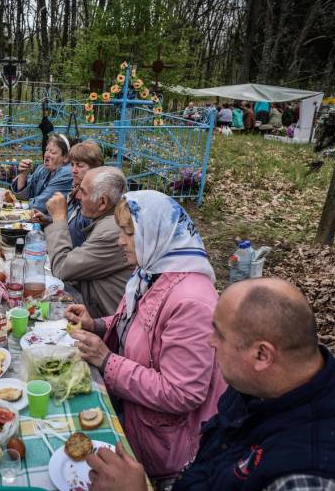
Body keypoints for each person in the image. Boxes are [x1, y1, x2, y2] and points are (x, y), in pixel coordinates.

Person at [85, 278, 335, 491]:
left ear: (262, 354)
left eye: (218, 334)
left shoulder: (310, 478)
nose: (209, 342)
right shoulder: (273, 384)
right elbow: (211, 465)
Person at [66, 190, 226, 483]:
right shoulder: (150, 273)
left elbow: (183, 392)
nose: (120, 240)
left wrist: (107, 361)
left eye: (129, 232)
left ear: (158, 233)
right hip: (140, 422)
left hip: (168, 448)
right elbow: (135, 325)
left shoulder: (192, 301)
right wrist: (96, 326)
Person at [45, 167, 133, 318]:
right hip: (96, 309)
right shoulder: (108, 220)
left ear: (102, 202)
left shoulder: (111, 230)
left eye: (83, 191)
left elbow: (61, 268)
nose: (77, 195)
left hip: (108, 326)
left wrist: (59, 219)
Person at [32, 140, 104, 248]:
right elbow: (69, 224)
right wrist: (48, 220)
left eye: (79, 165)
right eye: (72, 164)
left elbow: (78, 237)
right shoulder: (75, 190)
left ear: (95, 168)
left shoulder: (94, 200)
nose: (73, 170)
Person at [11, 133, 76, 213]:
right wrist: (23, 175)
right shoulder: (42, 169)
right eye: (46, 150)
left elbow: (39, 206)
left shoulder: (67, 173)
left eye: (52, 152)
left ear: (66, 157)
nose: (46, 155)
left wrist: (15, 205)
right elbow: (23, 197)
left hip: (54, 223)